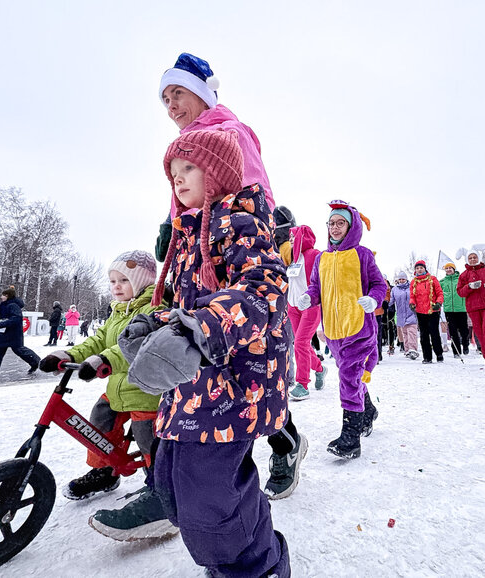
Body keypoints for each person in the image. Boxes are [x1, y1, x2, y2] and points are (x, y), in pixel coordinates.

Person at [116, 130, 291, 576]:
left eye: (189, 168)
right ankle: (246, 547)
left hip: (234, 385)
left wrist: (201, 328)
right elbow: (186, 303)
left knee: (208, 500)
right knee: (173, 488)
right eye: (173, 173)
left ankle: (258, 568)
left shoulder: (239, 221)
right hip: (192, 388)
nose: (177, 179)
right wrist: (155, 325)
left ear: (218, 172)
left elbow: (264, 288)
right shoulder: (188, 233)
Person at [39, 251, 172, 537]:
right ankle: (105, 471)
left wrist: (105, 361)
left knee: (147, 435)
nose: (117, 286)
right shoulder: (118, 311)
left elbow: (139, 345)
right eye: (113, 281)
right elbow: (99, 340)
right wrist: (68, 355)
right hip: (118, 390)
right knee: (100, 418)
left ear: (142, 282)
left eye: (124, 280)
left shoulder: (154, 309)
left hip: (147, 391)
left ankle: (159, 484)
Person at [154, 52, 276, 260]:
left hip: (226, 249)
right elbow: (189, 195)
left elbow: (256, 193)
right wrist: (172, 226)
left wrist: (244, 242)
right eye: (166, 100)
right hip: (192, 249)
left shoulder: (229, 132)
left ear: (201, 95)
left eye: (178, 93)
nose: (171, 106)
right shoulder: (183, 146)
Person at [299, 200, 387, 459]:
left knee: (348, 377)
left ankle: (351, 437)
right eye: (331, 223)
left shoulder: (363, 255)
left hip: (359, 328)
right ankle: (368, 411)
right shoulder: (322, 259)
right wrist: (308, 297)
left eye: (340, 223)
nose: (335, 228)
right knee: (352, 375)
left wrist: (373, 300)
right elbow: (316, 288)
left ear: (351, 227)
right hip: (333, 332)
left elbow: (379, 285)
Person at [287, 225, 327, 401]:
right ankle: (319, 368)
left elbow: (322, 279)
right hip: (293, 307)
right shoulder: (293, 257)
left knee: (300, 343)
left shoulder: (315, 254)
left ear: (302, 237)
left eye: (293, 236)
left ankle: (302, 385)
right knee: (301, 344)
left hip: (310, 307)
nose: (290, 239)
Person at [0, 287, 40, 378]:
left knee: (19, 350)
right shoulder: (5, 305)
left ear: (8, 296)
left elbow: (16, 319)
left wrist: (0, 325)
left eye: (3, 295)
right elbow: (5, 319)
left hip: (12, 334)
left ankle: (36, 362)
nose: (1, 297)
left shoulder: (13, 305)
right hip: (4, 333)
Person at [456, 245, 485, 370]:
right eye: (470, 258)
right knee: (480, 334)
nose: (473, 259)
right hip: (473, 307)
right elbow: (460, 292)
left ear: (479, 258)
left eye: (475, 257)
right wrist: (469, 287)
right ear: (467, 260)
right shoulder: (464, 275)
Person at [410, 260, 444, 364]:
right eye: (417, 268)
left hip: (433, 310)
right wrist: (412, 303)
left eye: (421, 268)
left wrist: (438, 302)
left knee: (434, 333)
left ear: (425, 268)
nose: (419, 270)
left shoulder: (432, 279)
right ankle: (427, 357)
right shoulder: (414, 282)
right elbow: (412, 296)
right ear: (415, 270)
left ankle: (439, 353)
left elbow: (440, 293)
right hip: (420, 311)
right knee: (424, 335)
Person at [439, 260, 469, 357]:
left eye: (450, 268)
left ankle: (465, 344)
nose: (448, 270)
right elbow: (438, 293)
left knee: (464, 330)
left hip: (461, 308)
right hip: (449, 310)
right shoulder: (442, 282)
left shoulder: (461, 279)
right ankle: (456, 351)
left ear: (454, 269)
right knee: (453, 331)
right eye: (446, 268)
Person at [390, 271, 419, 359]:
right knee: (405, 333)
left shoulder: (412, 287)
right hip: (401, 314)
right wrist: (386, 305)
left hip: (411, 313)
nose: (402, 281)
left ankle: (413, 349)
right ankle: (407, 350)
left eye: (403, 279)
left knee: (412, 332)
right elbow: (391, 300)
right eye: (400, 279)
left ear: (406, 279)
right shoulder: (395, 289)